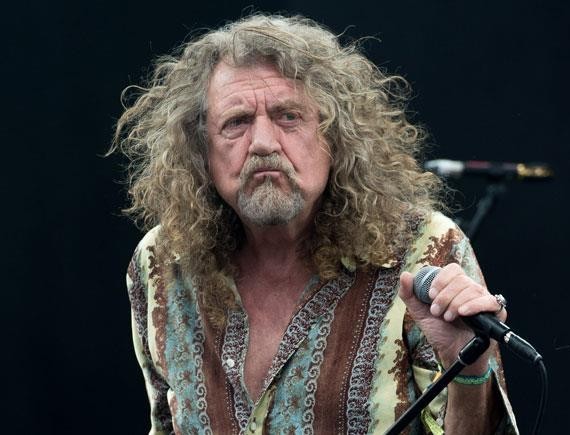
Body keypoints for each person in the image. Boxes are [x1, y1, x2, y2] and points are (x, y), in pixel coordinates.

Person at [113, 14, 518, 434]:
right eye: (236, 122)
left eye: (288, 116)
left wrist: (467, 367)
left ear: (334, 136)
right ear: (202, 151)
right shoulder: (162, 263)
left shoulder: (424, 249)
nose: (263, 143)